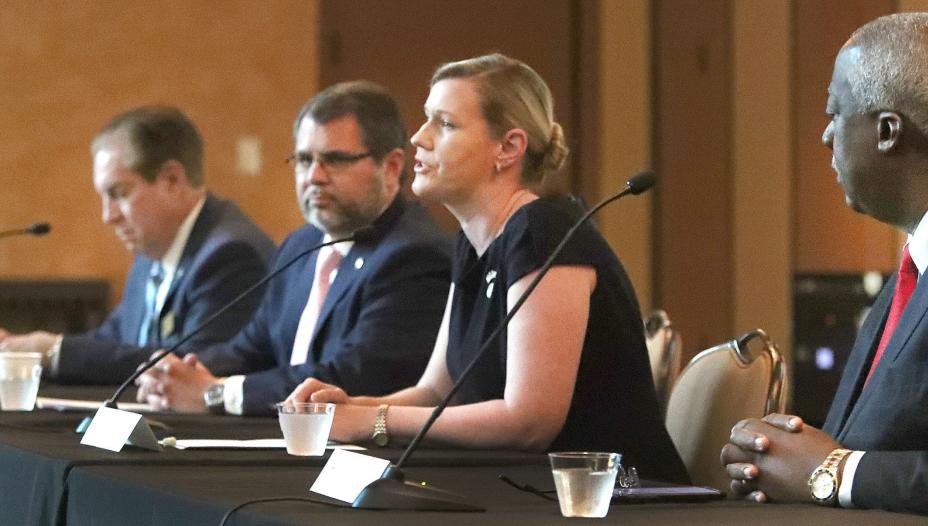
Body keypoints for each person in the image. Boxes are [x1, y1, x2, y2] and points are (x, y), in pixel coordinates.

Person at [288, 54, 689, 483]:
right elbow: (437, 392)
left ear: (508, 148)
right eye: (425, 120)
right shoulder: (473, 241)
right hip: (529, 489)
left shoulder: (543, 233)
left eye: (444, 124)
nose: (418, 138)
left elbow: (529, 421)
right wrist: (349, 407)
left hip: (615, 497)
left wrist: (374, 422)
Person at [721, 12, 928, 518]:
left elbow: (842, 466)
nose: (827, 136)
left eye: (836, 113)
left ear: (888, 130)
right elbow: (867, 442)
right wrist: (775, 459)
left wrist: (835, 473)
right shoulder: (921, 262)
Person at [135, 81, 452, 417]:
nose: (314, 176)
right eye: (303, 159)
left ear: (391, 167)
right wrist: (177, 373)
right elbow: (253, 348)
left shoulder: (415, 255)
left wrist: (218, 394)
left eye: (335, 160)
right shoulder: (301, 245)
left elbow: (352, 377)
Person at [0, 106, 275, 385]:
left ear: (172, 180)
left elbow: (193, 366)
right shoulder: (152, 251)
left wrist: (55, 352)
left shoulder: (231, 255)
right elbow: (112, 342)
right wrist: (25, 348)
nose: (108, 216)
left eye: (119, 194)